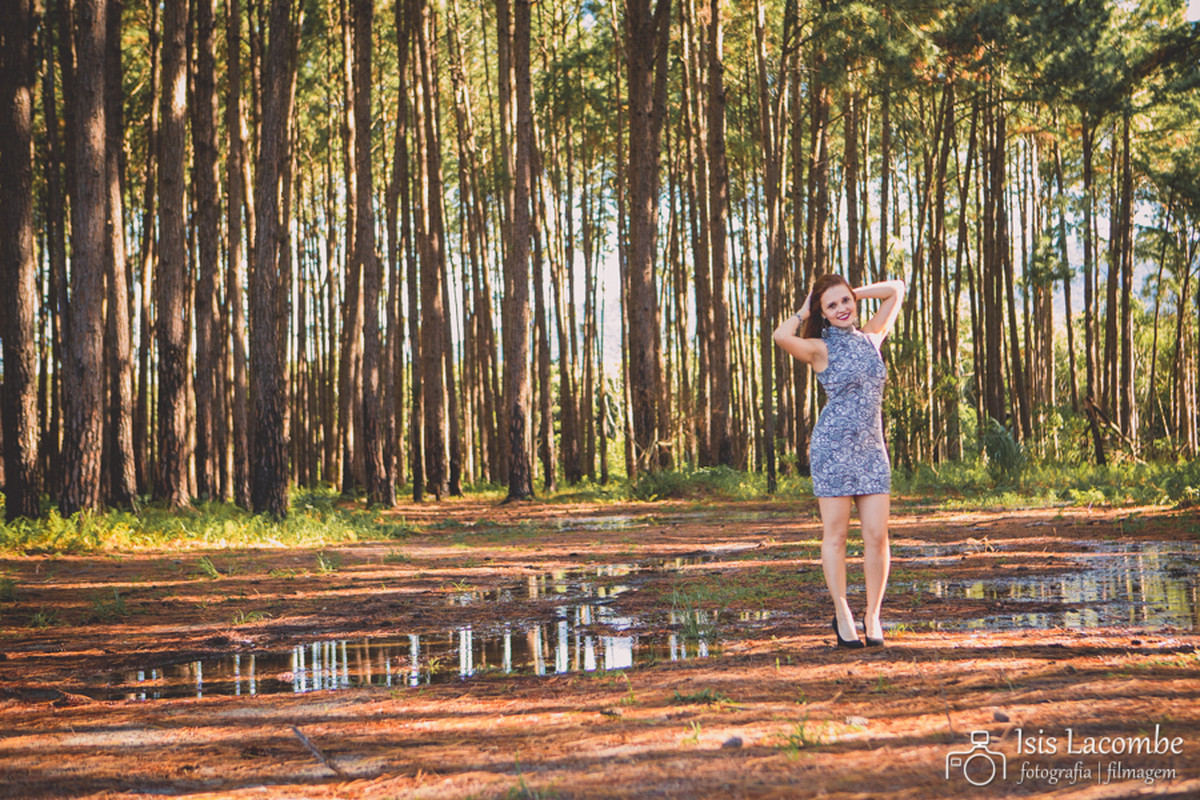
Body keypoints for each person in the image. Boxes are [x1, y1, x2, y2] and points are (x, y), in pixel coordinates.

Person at [772, 274, 905, 648]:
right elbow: (781, 336)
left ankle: (873, 614)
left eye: (845, 301)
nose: (842, 309)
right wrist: (805, 309)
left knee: (877, 537)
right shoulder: (819, 348)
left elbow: (896, 289)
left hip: (871, 450)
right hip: (833, 449)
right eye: (832, 306)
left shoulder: (872, 337)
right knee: (838, 536)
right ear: (823, 314)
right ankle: (843, 611)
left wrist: (851, 292)